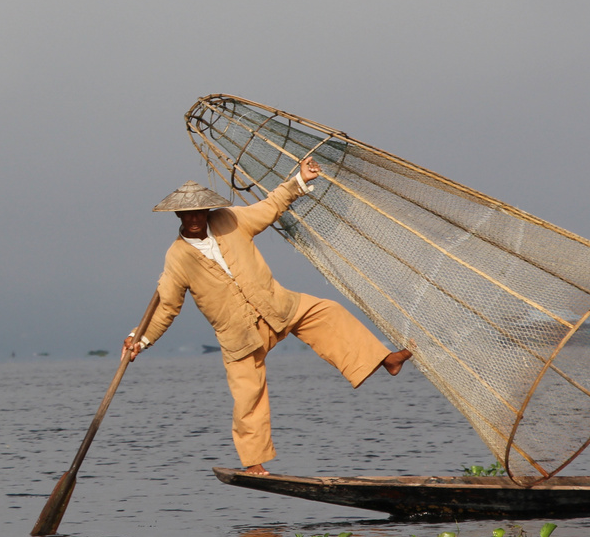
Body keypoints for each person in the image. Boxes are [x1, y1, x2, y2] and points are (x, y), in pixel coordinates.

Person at [124, 157, 411, 475]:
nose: (194, 218)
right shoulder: (177, 257)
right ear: (178, 215)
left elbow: (270, 206)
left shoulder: (229, 220)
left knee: (327, 312)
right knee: (248, 396)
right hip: (239, 336)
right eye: (187, 213)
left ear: (206, 211)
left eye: (199, 212)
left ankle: (386, 360)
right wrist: (142, 338)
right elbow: (166, 306)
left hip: (278, 306)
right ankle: (254, 464)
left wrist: (299, 181)